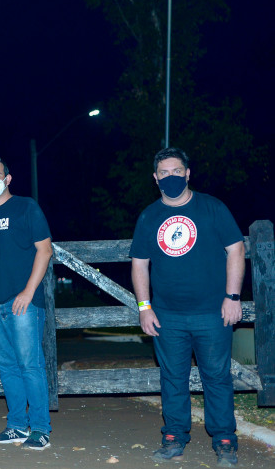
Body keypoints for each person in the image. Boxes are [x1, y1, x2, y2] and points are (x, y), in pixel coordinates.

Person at [130, 147, 244, 467]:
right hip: (167, 316)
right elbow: (139, 264)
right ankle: (174, 437)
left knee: (217, 377)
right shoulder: (149, 216)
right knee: (172, 378)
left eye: (177, 171)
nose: (171, 177)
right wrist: (144, 307)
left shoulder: (212, 207)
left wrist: (233, 297)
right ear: (155, 178)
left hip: (213, 313)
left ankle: (224, 440)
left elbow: (236, 250)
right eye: (164, 173)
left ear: (188, 173)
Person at [0, 156, 53, 450]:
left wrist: (28, 292)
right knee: (7, 367)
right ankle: (16, 425)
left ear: (8, 178)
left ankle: (40, 428)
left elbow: (45, 250)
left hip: (23, 303)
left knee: (31, 365)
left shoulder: (26, 207)